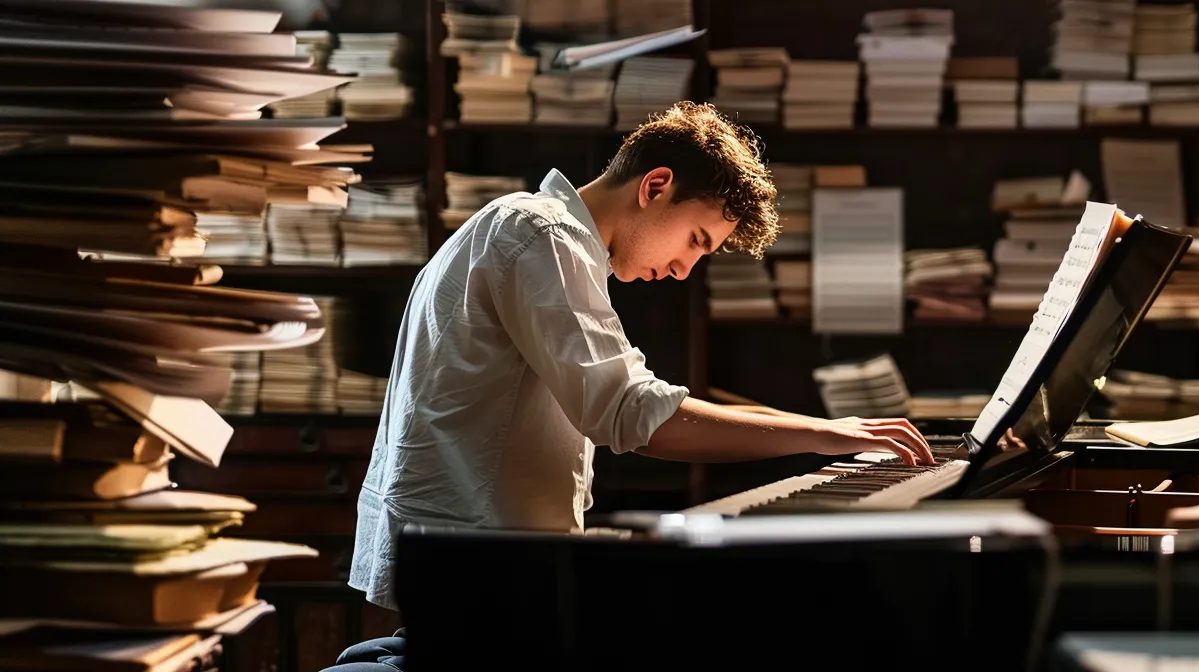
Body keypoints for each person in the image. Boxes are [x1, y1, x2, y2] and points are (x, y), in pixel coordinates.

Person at [328, 102, 931, 671]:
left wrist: (829, 431)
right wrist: (823, 435)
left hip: (477, 561)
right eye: (696, 240)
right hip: (478, 570)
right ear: (655, 186)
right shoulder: (543, 236)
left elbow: (632, 398)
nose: (683, 269)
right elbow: (627, 410)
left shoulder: (530, 230)